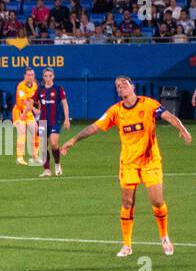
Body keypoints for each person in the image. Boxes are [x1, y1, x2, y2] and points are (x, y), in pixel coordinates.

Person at [60, 76, 191, 257]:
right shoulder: (115, 111)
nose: (121, 87)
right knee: (127, 203)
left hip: (150, 162)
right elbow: (94, 127)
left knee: (157, 201)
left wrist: (182, 128)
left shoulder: (148, 104)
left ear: (132, 87)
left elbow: (168, 115)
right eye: (117, 86)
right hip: (128, 164)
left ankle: (164, 237)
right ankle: (127, 245)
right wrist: (73, 140)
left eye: (124, 84)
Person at [36, 68, 71, 178]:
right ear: (43, 77)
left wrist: (66, 119)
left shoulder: (58, 89)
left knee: (54, 144)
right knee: (43, 146)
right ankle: (46, 170)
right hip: (43, 120)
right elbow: (32, 101)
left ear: (53, 76)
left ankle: (57, 164)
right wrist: (29, 112)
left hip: (56, 120)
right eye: (46, 76)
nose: (48, 78)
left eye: (50, 76)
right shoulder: (40, 89)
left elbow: (65, 104)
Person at [12, 67, 40, 166]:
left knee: (36, 131)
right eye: (28, 75)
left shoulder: (35, 85)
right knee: (22, 132)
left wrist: (40, 108)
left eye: (32, 75)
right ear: (24, 76)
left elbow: (37, 99)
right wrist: (34, 109)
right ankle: (19, 158)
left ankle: (35, 156)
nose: (30, 77)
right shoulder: (21, 86)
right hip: (19, 112)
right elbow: (24, 100)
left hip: (28, 112)